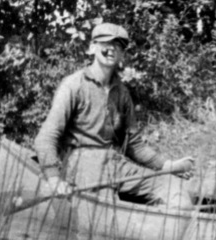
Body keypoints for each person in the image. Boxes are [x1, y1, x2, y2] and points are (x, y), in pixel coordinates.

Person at [33, 23, 196, 210]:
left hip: (116, 164)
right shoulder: (73, 85)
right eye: (106, 43)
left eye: (118, 45)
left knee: (173, 189)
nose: (112, 49)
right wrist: (54, 179)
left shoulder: (122, 92)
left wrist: (167, 165)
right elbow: (45, 138)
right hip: (83, 166)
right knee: (106, 210)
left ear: (122, 55)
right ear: (92, 47)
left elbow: (134, 145)